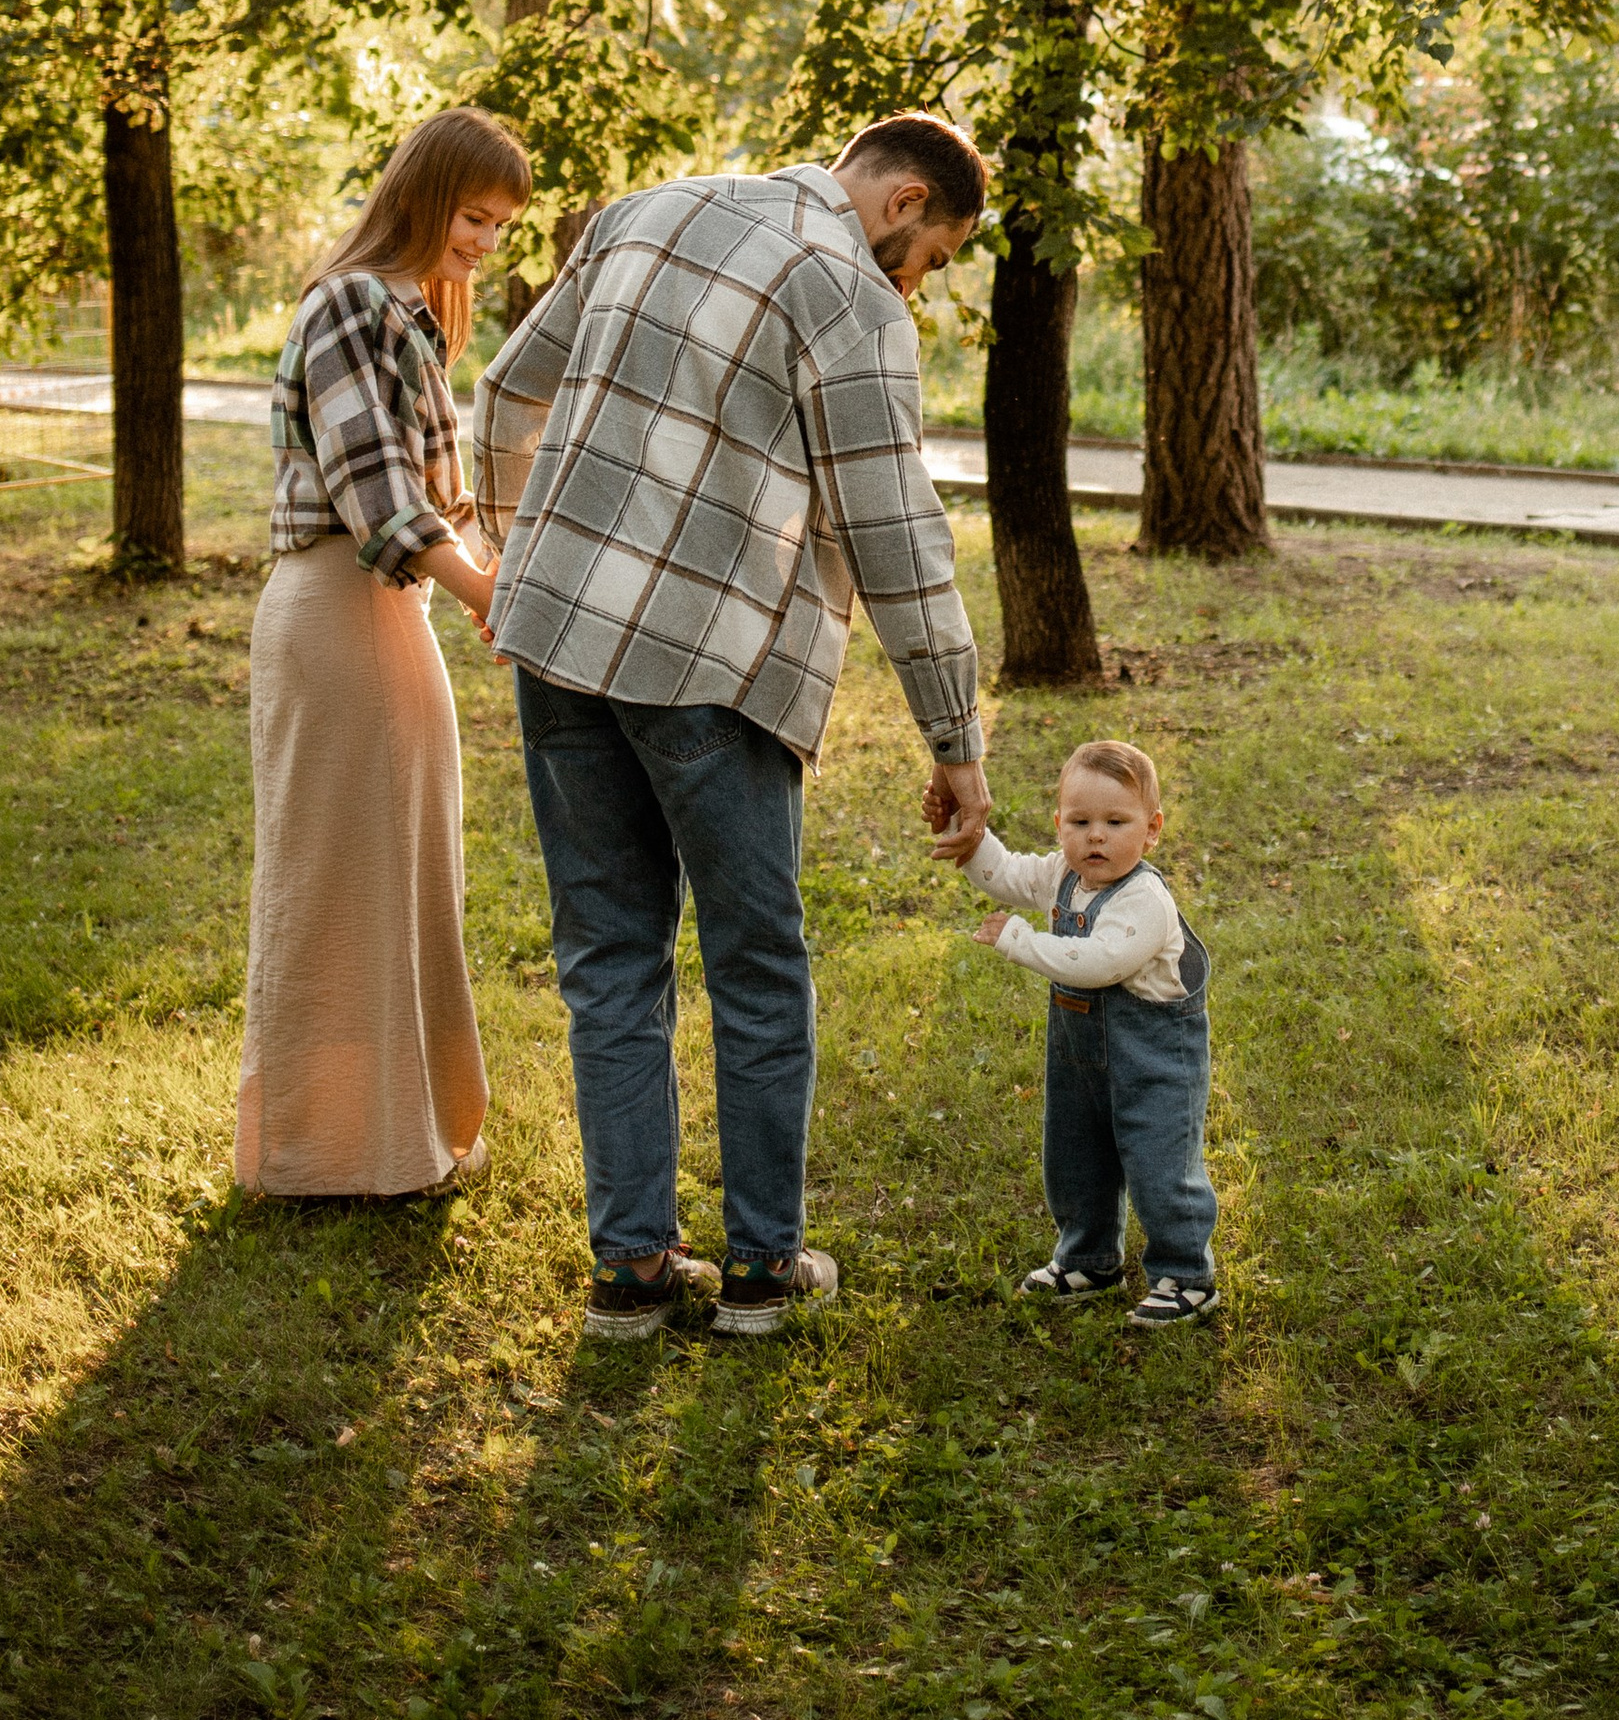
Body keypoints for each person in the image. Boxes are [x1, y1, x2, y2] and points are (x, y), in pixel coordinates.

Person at [474, 114, 994, 1345]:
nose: (915, 282)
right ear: (902, 200)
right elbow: (896, 532)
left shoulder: (647, 208)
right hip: (711, 667)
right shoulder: (848, 295)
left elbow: (506, 390)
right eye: (931, 257)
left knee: (608, 955)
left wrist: (517, 556)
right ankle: (761, 1269)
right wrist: (955, 735)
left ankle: (633, 1274)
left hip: (555, 643)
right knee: (755, 963)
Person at [237, 106, 531, 1201]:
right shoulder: (351, 302)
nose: (486, 243)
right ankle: (323, 1154)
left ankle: (401, 1135)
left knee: (406, 877)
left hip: (388, 615)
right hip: (340, 605)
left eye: (502, 226)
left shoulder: (411, 316)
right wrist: (487, 604)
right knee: (339, 881)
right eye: (474, 216)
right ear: (421, 192)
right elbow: (377, 496)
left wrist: (498, 581)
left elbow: (445, 499)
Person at [938, 736, 1219, 1326]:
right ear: (1059, 823)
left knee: (1160, 1163)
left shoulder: (1143, 900)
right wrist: (969, 832)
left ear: (1151, 830)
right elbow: (1006, 875)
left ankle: (1185, 1273)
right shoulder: (1063, 873)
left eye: (1117, 821)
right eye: (1080, 820)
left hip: (1153, 1060)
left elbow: (1097, 963)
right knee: (1075, 1156)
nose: (1096, 836)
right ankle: (1089, 1257)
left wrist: (1020, 941)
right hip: (1080, 1057)